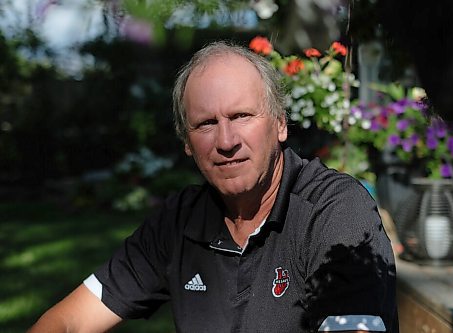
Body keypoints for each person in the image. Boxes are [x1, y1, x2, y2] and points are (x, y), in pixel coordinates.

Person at [28, 41, 398, 332]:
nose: (225, 140)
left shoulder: (333, 210)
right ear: (186, 142)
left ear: (280, 125)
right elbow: (69, 322)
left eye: (241, 116)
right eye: (206, 123)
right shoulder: (180, 222)